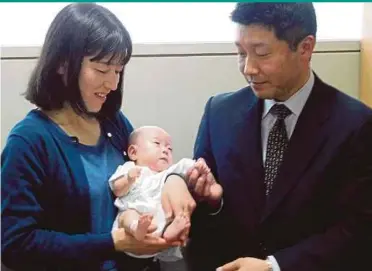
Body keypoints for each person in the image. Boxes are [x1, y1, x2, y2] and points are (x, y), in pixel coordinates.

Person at [1, 3, 197, 271]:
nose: (113, 84)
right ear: (62, 63)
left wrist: (175, 179)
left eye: (118, 71)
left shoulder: (112, 122)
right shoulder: (29, 142)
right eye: (102, 70)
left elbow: (146, 169)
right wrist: (113, 242)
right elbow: (15, 246)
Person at [181, 3, 372, 271]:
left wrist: (275, 266)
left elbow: (358, 230)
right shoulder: (219, 113)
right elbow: (202, 218)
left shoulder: (356, 124)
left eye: (262, 53)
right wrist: (210, 201)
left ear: (305, 47)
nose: (248, 68)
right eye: (241, 53)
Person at [108, 126, 218, 262]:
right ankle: (136, 227)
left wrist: (200, 166)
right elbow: (117, 190)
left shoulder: (169, 173)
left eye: (169, 148)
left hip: (158, 222)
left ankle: (171, 233)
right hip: (133, 218)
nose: (165, 150)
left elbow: (187, 165)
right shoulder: (129, 168)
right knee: (126, 215)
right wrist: (129, 178)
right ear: (133, 152)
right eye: (157, 143)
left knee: (175, 214)